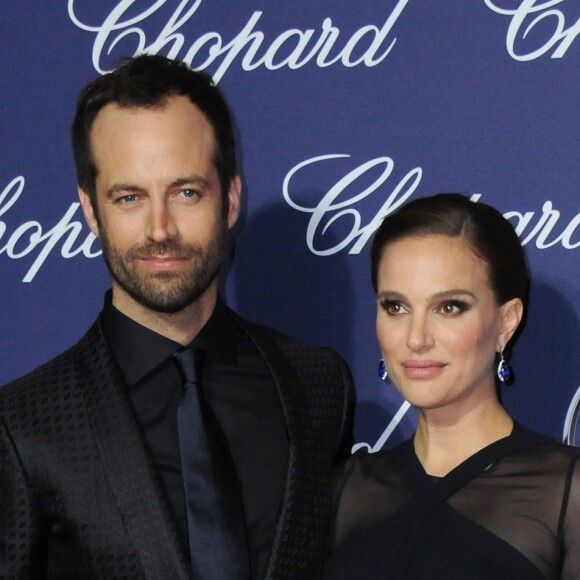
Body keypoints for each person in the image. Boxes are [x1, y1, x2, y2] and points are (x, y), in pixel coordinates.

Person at [0, 54, 354, 580]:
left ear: (230, 199)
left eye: (186, 192)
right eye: (129, 197)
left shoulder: (318, 385)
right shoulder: (22, 426)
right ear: (90, 211)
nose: (160, 228)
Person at [324, 193, 580, 579]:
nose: (416, 338)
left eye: (449, 307)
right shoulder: (345, 489)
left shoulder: (566, 492)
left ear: (506, 322)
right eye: (396, 307)